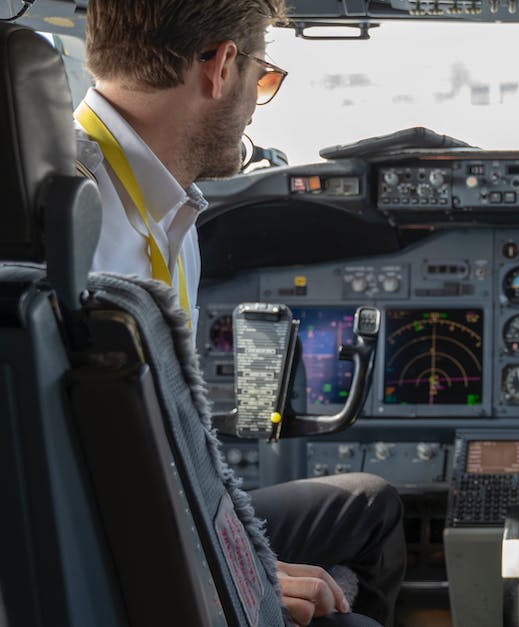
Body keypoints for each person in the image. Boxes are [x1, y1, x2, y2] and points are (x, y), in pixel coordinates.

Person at [75, 2, 406, 626]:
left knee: (370, 503)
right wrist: (228, 574)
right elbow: (79, 487)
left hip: (159, 510)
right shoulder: (77, 233)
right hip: (120, 556)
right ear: (223, 67)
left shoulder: (155, 201)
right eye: (265, 77)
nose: (259, 100)